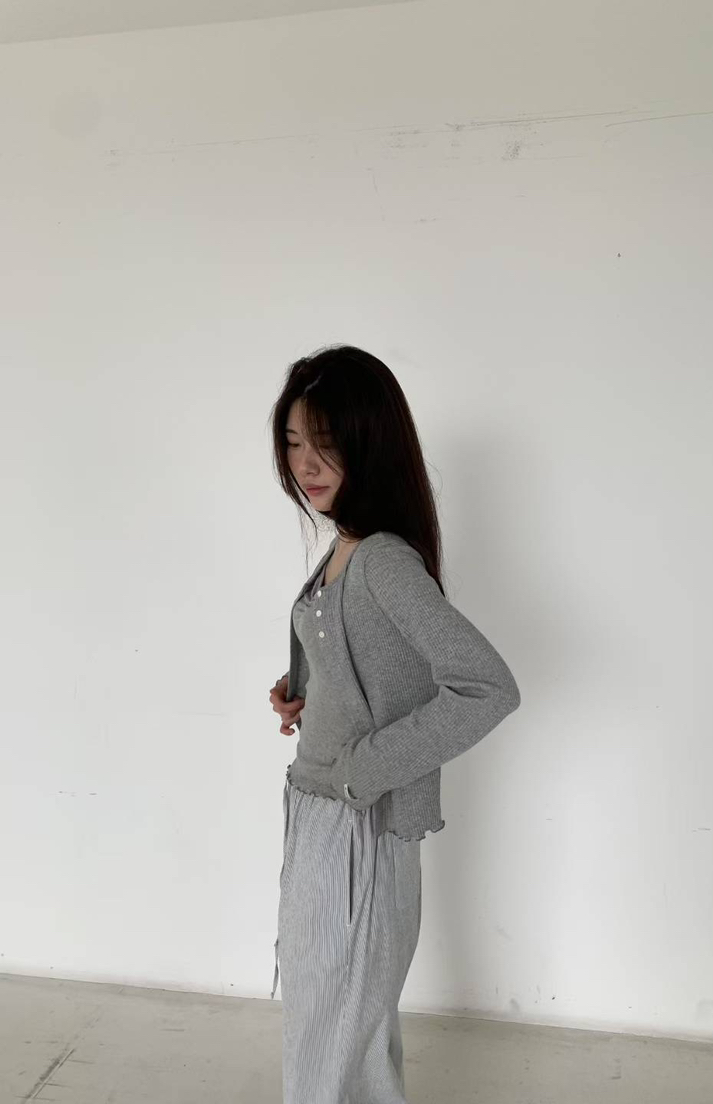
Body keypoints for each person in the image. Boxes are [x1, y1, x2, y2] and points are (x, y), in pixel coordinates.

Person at [266, 344, 521, 1103]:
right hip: (319, 815)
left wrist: (362, 770)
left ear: (370, 442)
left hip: (356, 826)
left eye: (326, 442)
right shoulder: (342, 548)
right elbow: (360, 660)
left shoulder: (381, 561)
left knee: (333, 1034)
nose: (306, 464)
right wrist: (302, 691)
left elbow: (487, 687)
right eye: (293, 443)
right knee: (345, 1032)